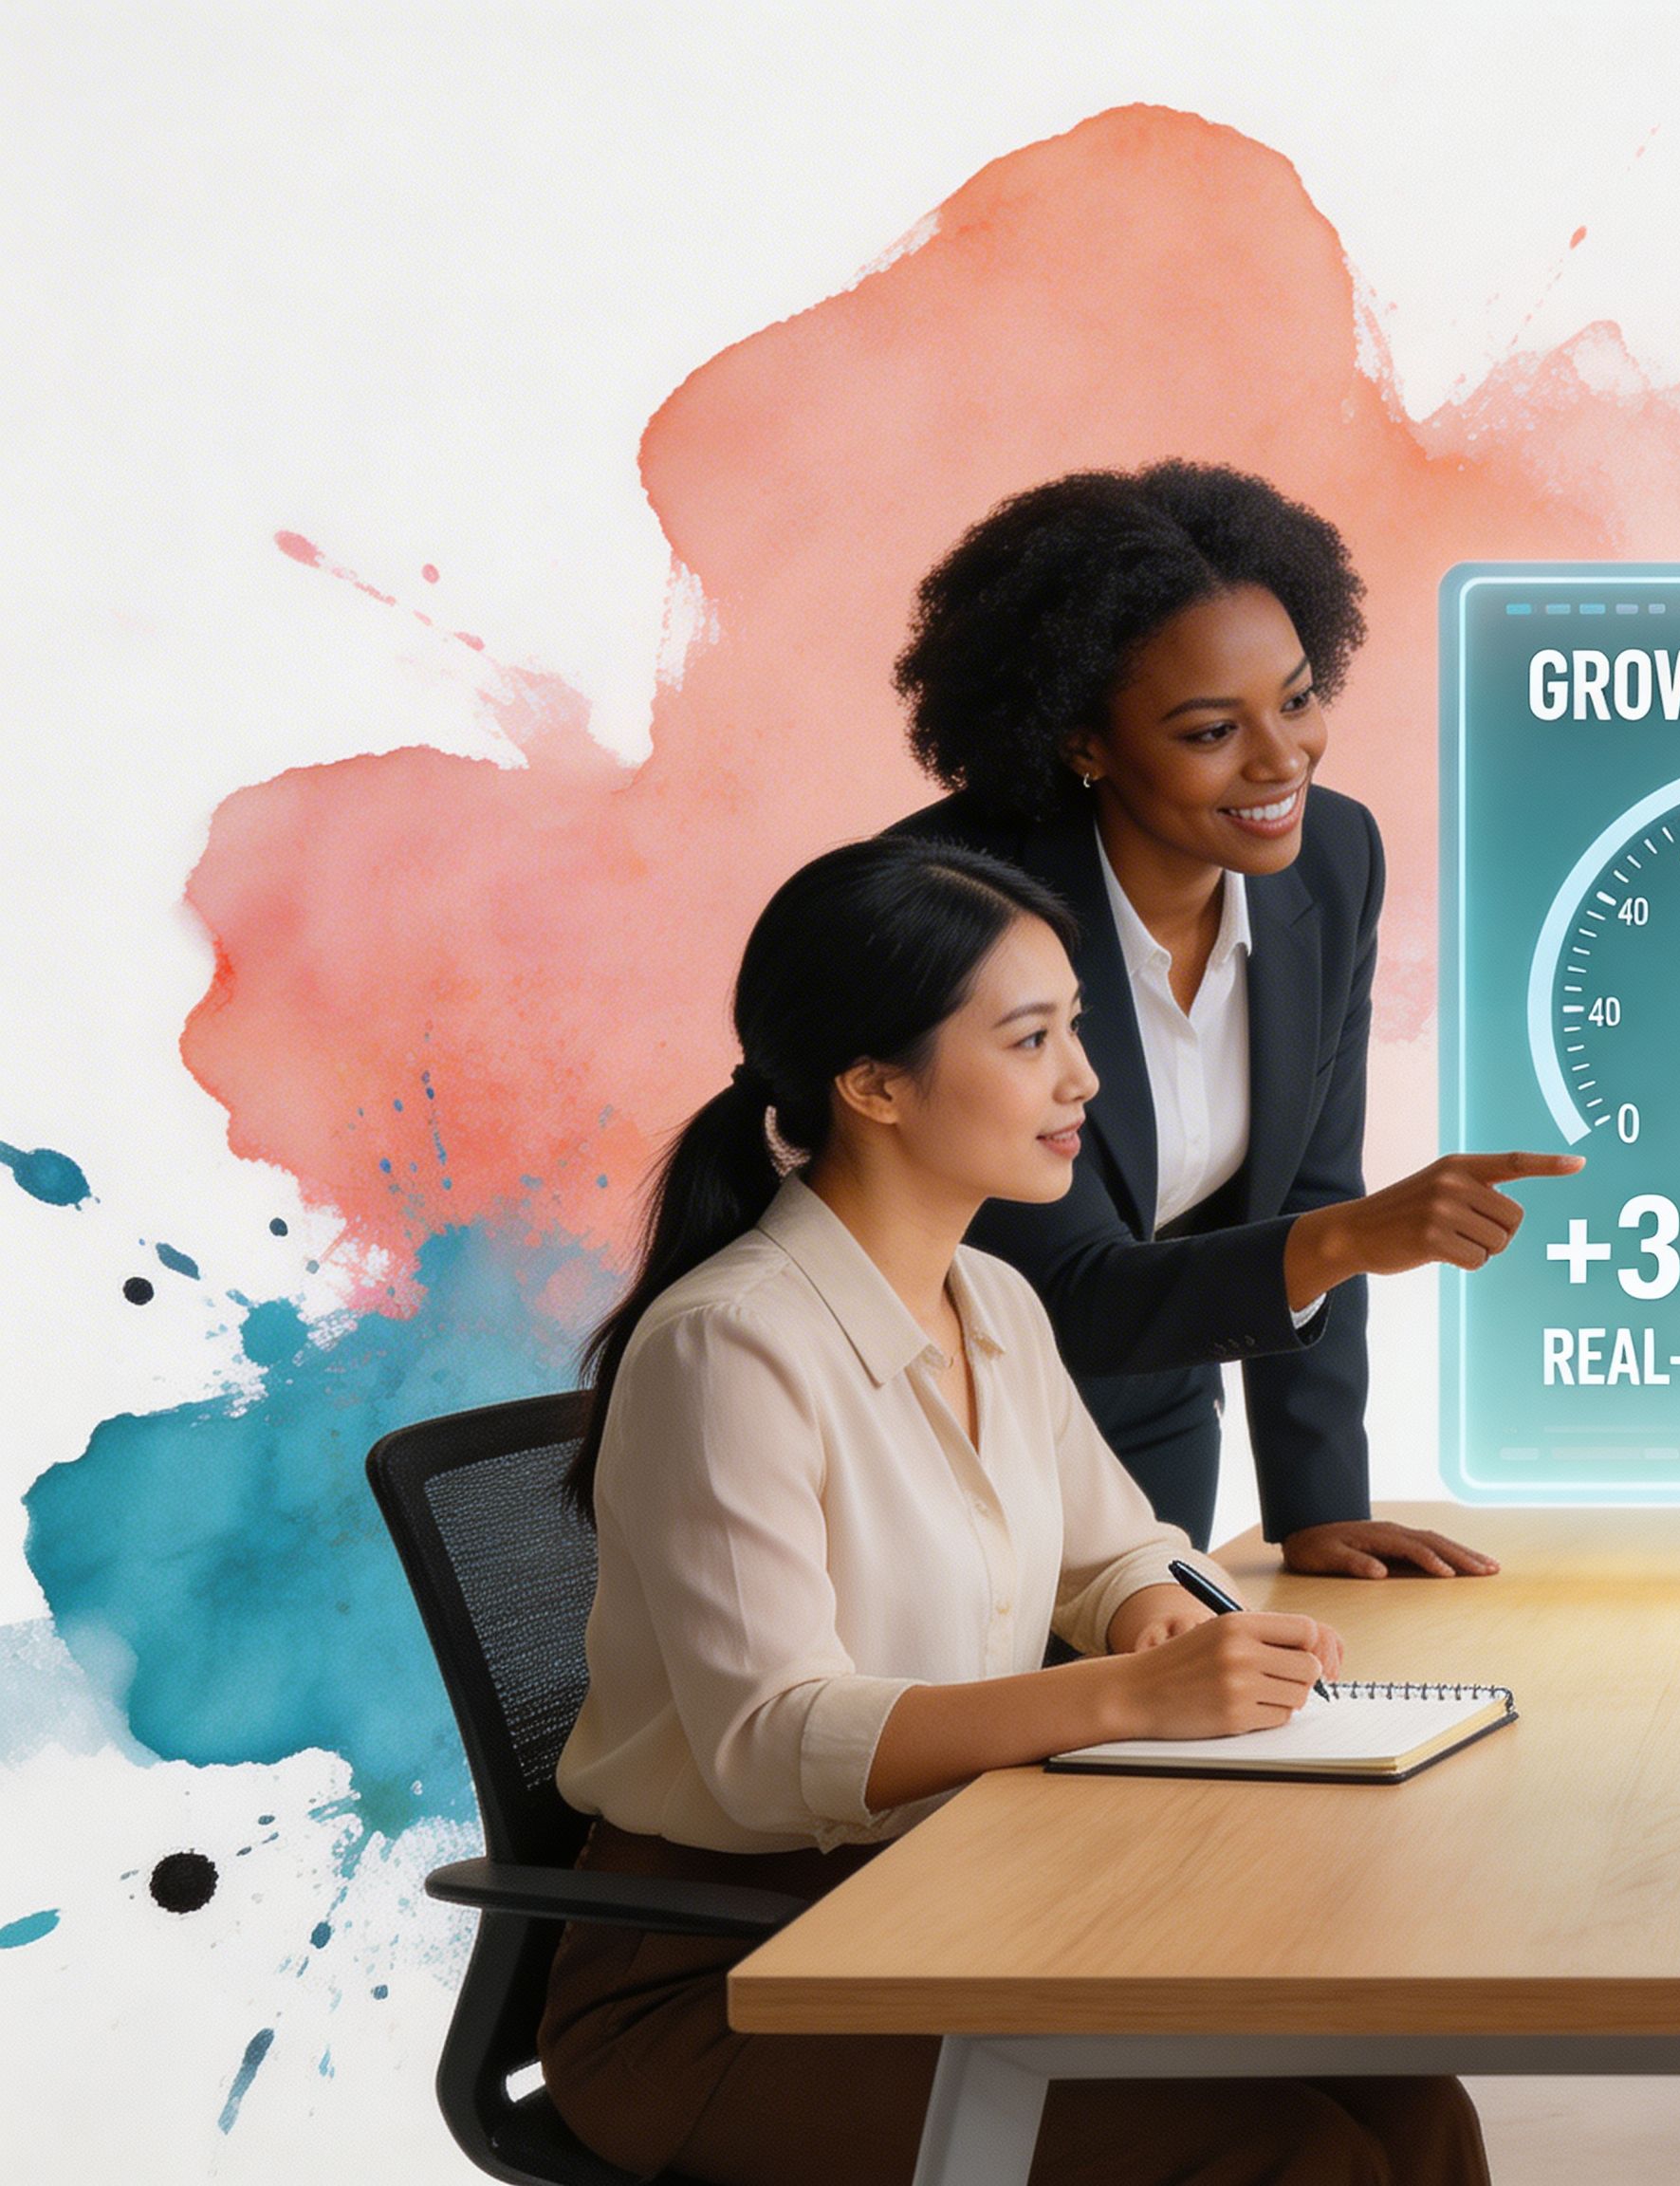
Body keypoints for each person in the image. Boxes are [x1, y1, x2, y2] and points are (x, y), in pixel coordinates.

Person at [546, 837, 1486, 2184]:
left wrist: (1159, 1616)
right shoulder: (730, 1347)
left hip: (948, 1913)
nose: (1085, 1081)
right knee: (1285, 2157)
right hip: (730, 1985)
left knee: (1407, 2107)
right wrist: (1125, 1702)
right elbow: (767, 1744)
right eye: (1031, 1039)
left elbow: (1116, 1552)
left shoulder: (993, 1300)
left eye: (1078, 1030)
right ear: (873, 1084)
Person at [893, 462, 1572, 1570]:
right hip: (939, 1462)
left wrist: (1318, 1509)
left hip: (1152, 1442)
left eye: (1297, 699)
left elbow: (1304, 1183)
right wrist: (1357, 1240)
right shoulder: (949, 910)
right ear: (1082, 741)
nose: (1281, 760)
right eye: (1212, 731)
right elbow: (1065, 1293)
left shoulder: (1331, 860)